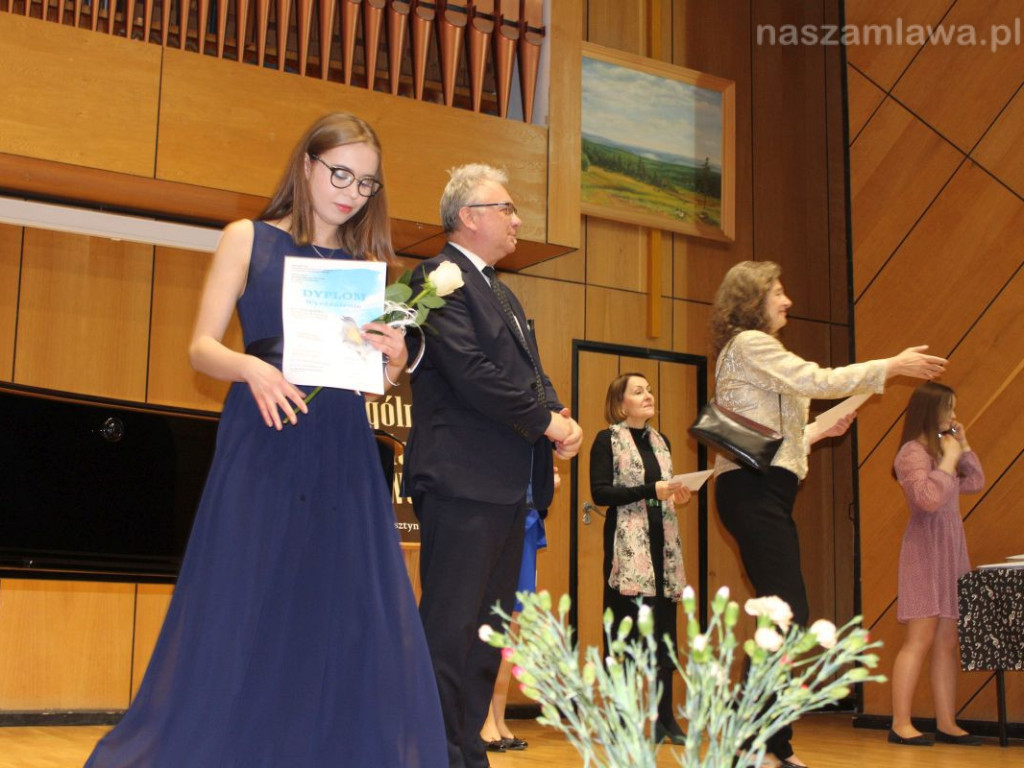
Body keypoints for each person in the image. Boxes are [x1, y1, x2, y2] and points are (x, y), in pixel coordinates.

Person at [84, 112, 446, 767]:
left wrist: (389, 364)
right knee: (250, 596)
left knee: (334, 606)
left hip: (339, 447)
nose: (351, 191)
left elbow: (364, 385)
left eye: (366, 183)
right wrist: (250, 365)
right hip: (264, 434)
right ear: (306, 164)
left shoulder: (366, 264)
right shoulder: (246, 238)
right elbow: (200, 346)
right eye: (340, 173)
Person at [709, 260, 948, 768]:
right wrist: (892, 365)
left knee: (784, 615)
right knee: (787, 613)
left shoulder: (757, 352)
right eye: (777, 290)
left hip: (763, 489)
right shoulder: (752, 345)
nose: (787, 300)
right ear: (752, 300)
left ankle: (771, 744)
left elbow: (774, 434)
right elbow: (816, 379)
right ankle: (752, 739)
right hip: (751, 490)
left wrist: (818, 431)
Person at [405, 163, 583, 768]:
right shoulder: (436, 278)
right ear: (469, 217)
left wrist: (557, 410)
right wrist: (545, 422)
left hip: (507, 487)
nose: (516, 220)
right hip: (462, 479)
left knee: (488, 631)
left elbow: (524, 373)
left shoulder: (501, 290)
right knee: (450, 628)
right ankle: (434, 751)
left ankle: (466, 750)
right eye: (506, 208)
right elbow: (472, 374)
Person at [589, 373, 692, 745]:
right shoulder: (607, 440)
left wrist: (677, 494)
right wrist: (653, 490)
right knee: (624, 633)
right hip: (627, 550)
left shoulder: (660, 441)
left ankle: (664, 719)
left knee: (664, 635)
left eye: (649, 389)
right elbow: (600, 492)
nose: (648, 395)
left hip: (663, 546)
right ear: (620, 404)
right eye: (638, 391)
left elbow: (664, 490)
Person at [888, 382, 984, 748]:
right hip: (924, 551)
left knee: (946, 639)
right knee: (920, 638)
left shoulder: (942, 448)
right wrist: (946, 460)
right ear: (931, 411)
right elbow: (927, 500)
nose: (954, 417)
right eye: (949, 409)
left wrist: (964, 445)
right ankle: (900, 723)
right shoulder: (911, 453)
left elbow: (974, 482)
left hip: (951, 551)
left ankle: (947, 722)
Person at [479, 467, 558, 754]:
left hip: (525, 516)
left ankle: (498, 715)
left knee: (514, 623)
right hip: (499, 514)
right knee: (494, 617)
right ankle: (481, 716)